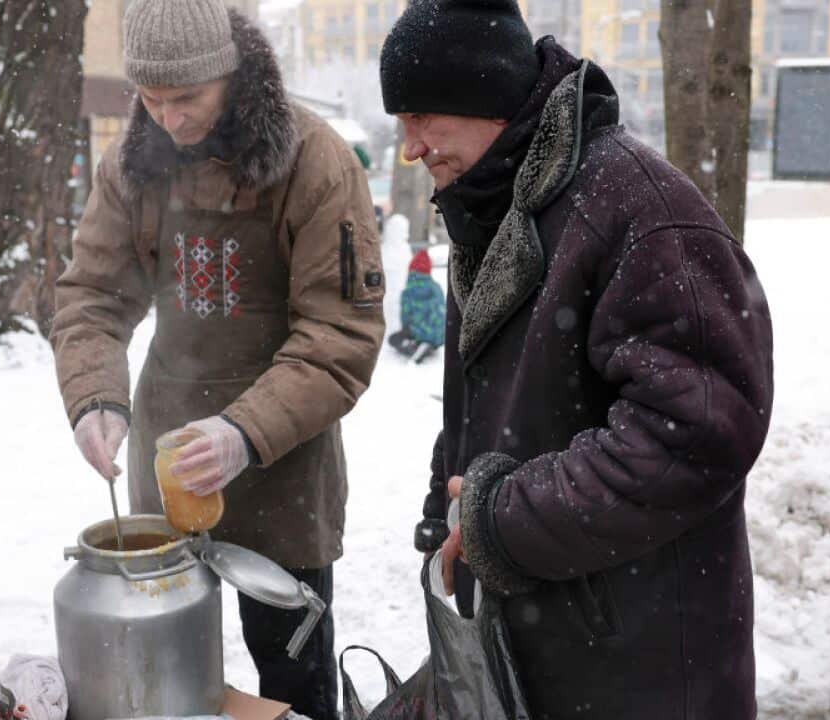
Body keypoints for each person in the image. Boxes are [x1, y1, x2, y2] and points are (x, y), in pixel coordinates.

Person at [380, 0, 775, 717]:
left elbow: (699, 433)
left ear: (486, 96)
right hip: (552, 647)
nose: (409, 147)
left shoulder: (639, 209)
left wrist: (504, 520)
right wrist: (453, 505)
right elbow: (504, 397)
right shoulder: (494, 205)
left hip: (640, 664)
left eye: (421, 117)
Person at [49, 0, 384, 716]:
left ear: (230, 73)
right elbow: (91, 299)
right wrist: (95, 397)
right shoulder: (131, 166)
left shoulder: (313, 159)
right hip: (167, 459)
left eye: (187, 98)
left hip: (283, 460)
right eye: (150, 98)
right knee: (164, 670)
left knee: (293, 675)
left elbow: (340, 334)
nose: (168, 119)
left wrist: (242, 432)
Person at [387, 249, 445, 363]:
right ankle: (427, 345)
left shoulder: (408, 291)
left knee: (393, 339)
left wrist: (407, 329)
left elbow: (405, 316)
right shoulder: (436, 287)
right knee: (427, 333)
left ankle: (413, 347)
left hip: (417, 332)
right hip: (439, 336)